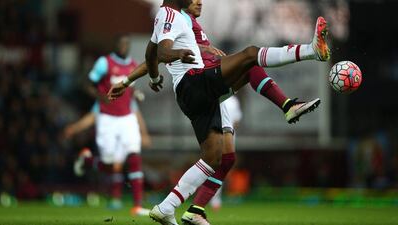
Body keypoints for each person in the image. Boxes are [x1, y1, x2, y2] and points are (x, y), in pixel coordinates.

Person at [108, 0, 329, 223]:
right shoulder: (171, 15)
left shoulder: (175, 19)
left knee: (215, 158)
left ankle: (170, 207)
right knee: (251, 55)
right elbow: (163, 52)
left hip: (198, 93)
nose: (199, 1)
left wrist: (144, 79)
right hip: (195, 82)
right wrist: (179, 54)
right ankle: (310, 54)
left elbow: (151, 54)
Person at [75, 35, 151, 216]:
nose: (124, 46)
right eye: (120, 43)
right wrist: (98, 96)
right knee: (111, 165)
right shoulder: (104, 62)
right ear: (115, 45)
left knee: (134, 156)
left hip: (127, 117)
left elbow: (130, 89)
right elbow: (86, 83)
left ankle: (137, 205)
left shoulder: (133, 64)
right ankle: (87, 161)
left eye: (126, 44)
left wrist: (137, 93)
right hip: (107, 118)